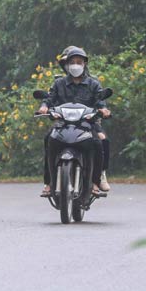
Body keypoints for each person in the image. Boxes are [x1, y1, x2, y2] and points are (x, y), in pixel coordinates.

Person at [37, 46, 110, 198]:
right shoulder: (59, 83)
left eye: (79, 62)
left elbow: (100, 101)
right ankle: (48, 182)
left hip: (87, 125)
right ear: (67, 65)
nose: (76, 65)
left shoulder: (93, 84)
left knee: (98, 142)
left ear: (84, 64)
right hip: (62, 125)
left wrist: (103, 110)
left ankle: (96, 181)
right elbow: (49, 99)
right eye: (73, 62)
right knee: (48, 140)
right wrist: (44, 107)